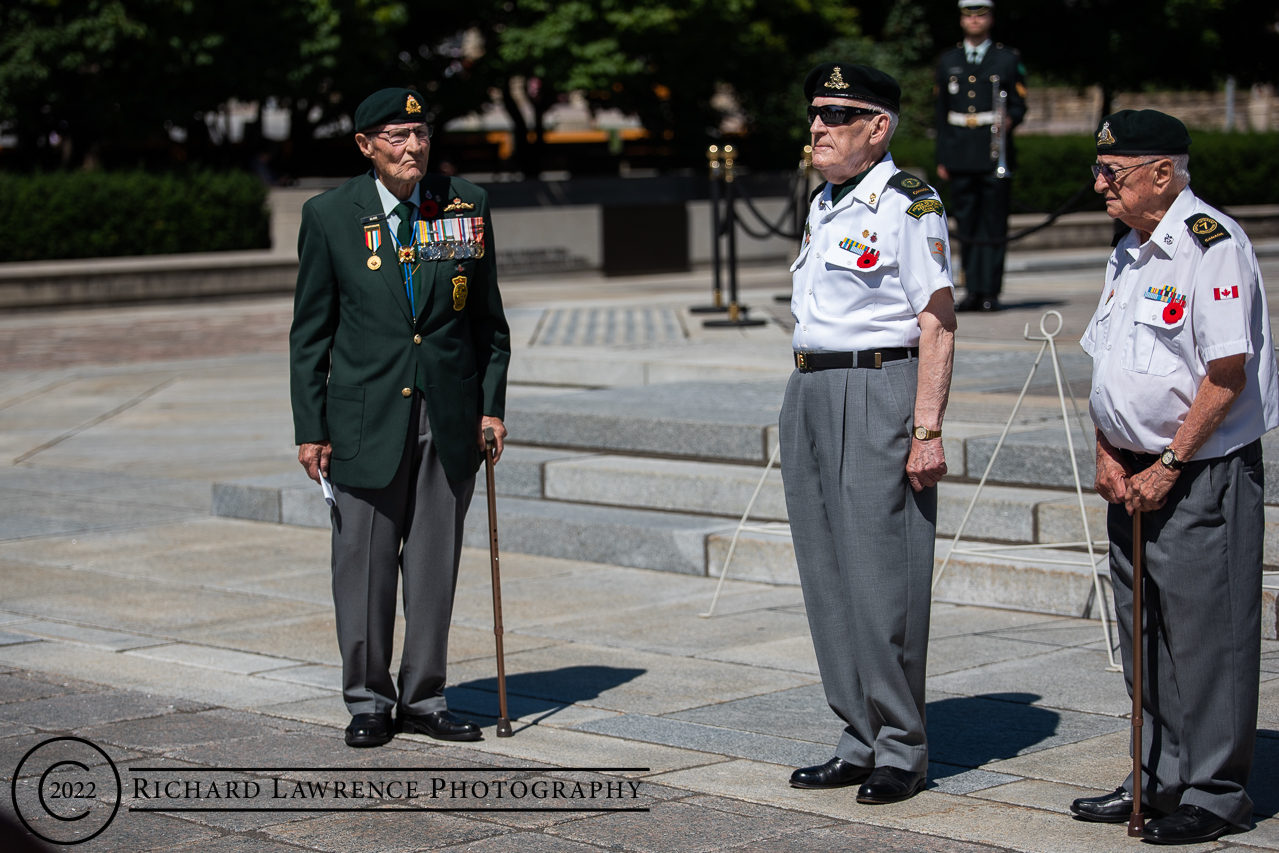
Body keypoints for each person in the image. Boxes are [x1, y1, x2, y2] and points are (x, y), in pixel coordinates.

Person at [1071, 109, 1279, 844]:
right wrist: (1105, 447)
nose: (1099, 184)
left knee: (1206, 636)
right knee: (1143, 633)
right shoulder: (1128, 248)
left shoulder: (1209, 247)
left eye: (1111, 172)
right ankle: (1156, 772)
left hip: (1195, 472)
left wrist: (1166, 462)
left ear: (1161, 173)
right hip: (1129, 472)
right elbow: (1108, 361)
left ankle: (1215, 790)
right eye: (1098, 170)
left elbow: (1224, 375)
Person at [290, 88, 511, 748]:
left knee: (434, 565)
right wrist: (310, 425)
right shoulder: (330, 216)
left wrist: (491, 405)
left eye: (418, 133)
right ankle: (366, 698)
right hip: (364, 416)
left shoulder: (464, 204)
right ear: (365, 146)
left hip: (448, 415)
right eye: (395, 136)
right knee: (362, 564)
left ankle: (423, 695)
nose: (412, 147)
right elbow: (310, 332)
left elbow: (487, 323)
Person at [783, 62, 957, 804]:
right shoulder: (826, 200)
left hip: (878, 385)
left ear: (877, 126)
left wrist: (925, 427)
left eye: (835, 115)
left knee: (884, 575)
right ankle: (856, 733)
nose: (817, 127)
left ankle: (900, 745)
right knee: (826, 574)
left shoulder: (906, 202)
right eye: (815, 114)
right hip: (811, 386)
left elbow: (937, 320)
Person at [933, 0, 1027, 312]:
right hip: (960, 153)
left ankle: (990, 291)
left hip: (993, 152)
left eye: (981, 14)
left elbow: (1018, 104)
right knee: (967, 226)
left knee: (994, 224)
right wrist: (942, 158)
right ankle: (972, 288)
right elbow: (941, 115)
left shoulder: (1007, 58)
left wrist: (1009, 120)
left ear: (990, 18)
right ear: (962, 19)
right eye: (968, 15)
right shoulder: (948, 60)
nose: (975, 20)